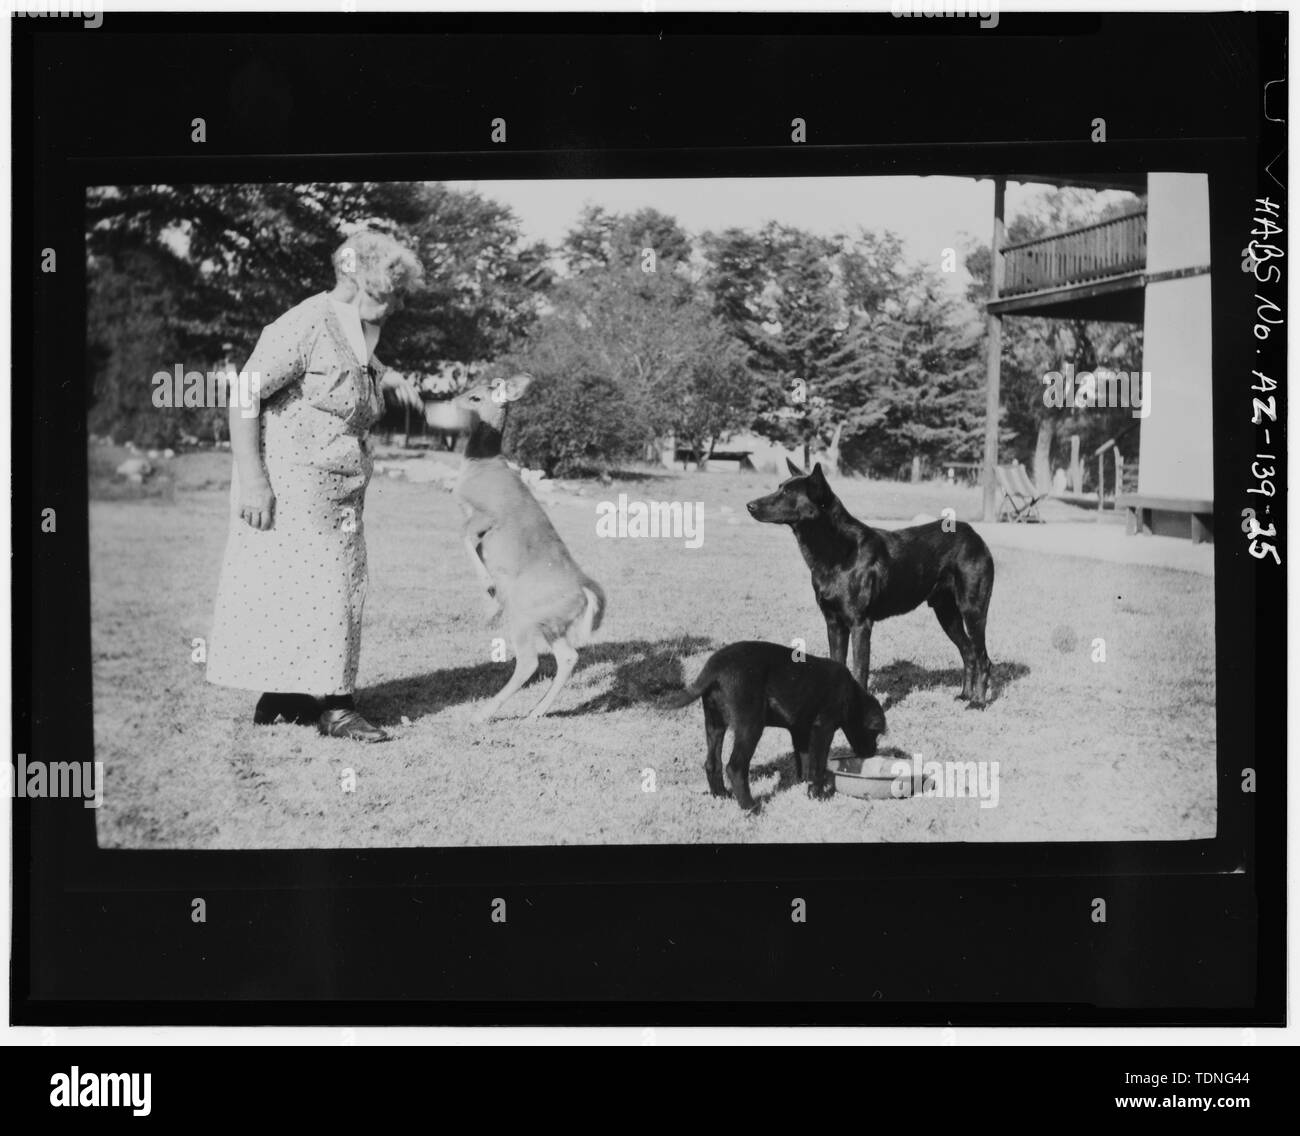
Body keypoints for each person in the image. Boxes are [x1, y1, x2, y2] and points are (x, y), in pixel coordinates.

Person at [206, 230, 424, 742]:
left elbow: (352, 371)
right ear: (353, 279)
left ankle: (287, 697)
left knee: (318, 589)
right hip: (292, 483)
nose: (391, 307)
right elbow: (244, 395)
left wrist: (388, 377)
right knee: (328, 587)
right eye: (385, 294)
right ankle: (337, 707)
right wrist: (253, 480)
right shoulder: (305, 322)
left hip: (341, 486)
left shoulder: (358, 331)